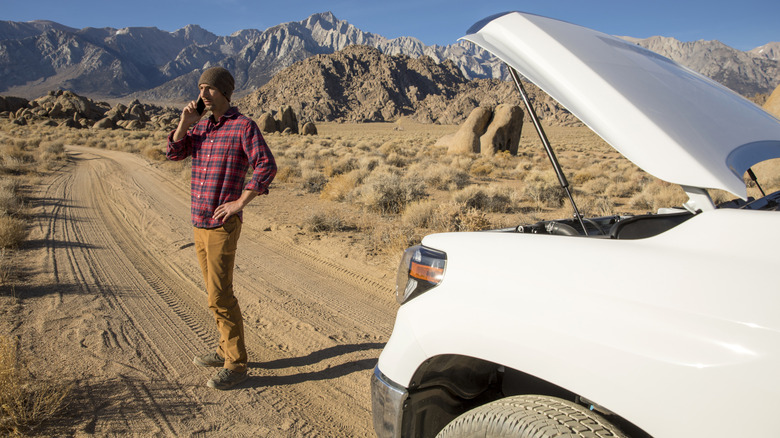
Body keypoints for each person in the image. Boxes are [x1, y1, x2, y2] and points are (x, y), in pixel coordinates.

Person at [167, 66, 276, 390]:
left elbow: (266, 165)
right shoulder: (200, 128)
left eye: (210, 89)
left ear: (225, 92)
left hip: (221, 226)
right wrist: (185, 124)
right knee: (213, 294)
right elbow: (174, 153)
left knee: (220, 296)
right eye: (200, 88)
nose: (203, 94)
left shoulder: (243, 127)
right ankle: (223, 348)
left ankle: (236, 364)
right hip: (199, 222)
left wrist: (240, 203)